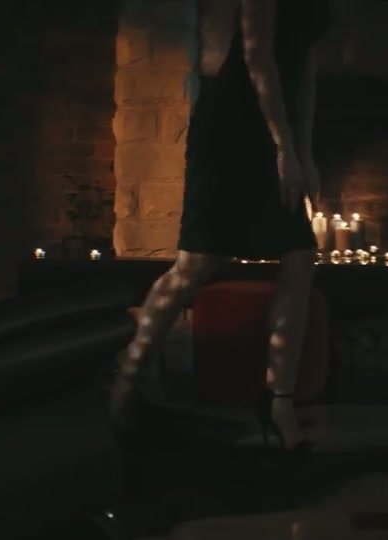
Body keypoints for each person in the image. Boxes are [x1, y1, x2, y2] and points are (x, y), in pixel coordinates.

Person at [109, 0, 332, 455]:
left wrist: (306, 154)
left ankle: (279, 403)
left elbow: (306, 69)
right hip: (231, 128)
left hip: (281, 135)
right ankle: (125, 382)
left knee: (300, 256)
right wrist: (284, 149)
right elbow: (257, 57)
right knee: (195, 265)